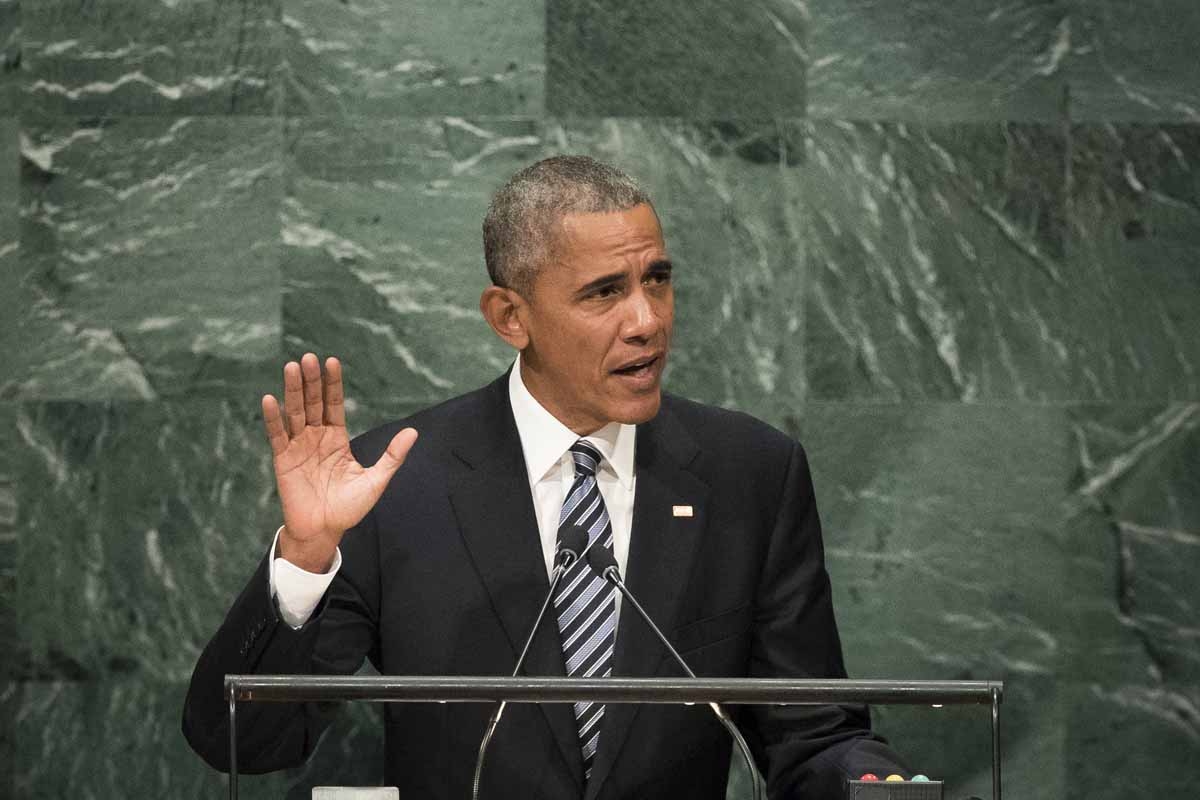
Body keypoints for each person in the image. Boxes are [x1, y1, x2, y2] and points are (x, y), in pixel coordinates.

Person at [183, 155, 908, 799]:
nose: (647, 320)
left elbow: (811, 733)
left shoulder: (749, 473)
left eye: (657, 281)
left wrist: (873, 784)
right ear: (510, 316)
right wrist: (306, 558)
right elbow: (244, 743)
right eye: (604, 293)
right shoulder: (397, 484)